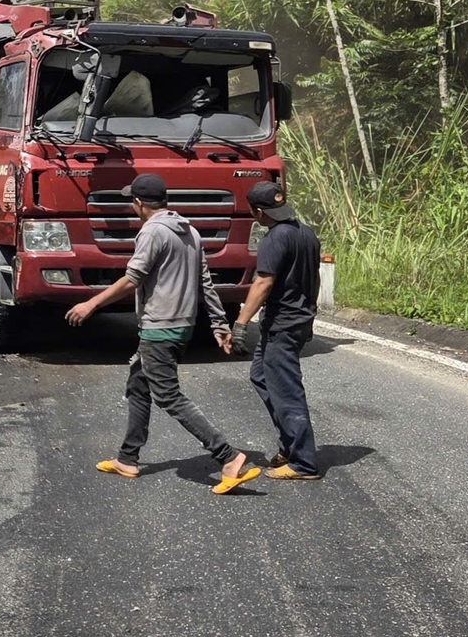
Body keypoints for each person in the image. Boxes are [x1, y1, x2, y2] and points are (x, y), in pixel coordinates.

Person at [65, 173, 259, 494]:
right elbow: (205, 283)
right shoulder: (191, 232)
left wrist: (91, 304)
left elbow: (132, 279)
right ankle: (128, 457)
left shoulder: (152, 233)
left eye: (132, 201)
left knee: (169, 396)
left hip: (160, 327)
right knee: (139, 384)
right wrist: (219, 324)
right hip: (181, 325)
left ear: (139, 203)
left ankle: (228, 456)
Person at [233, 180, 322, 480]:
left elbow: (263, 283)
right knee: (260, 376)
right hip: (296, 321)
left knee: (286, 390)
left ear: (258, 211)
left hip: (283, 324)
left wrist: (240, 323)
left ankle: (304, 462)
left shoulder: (274, 238)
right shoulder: (306, 233)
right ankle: (289, 442)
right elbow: (316, 277)